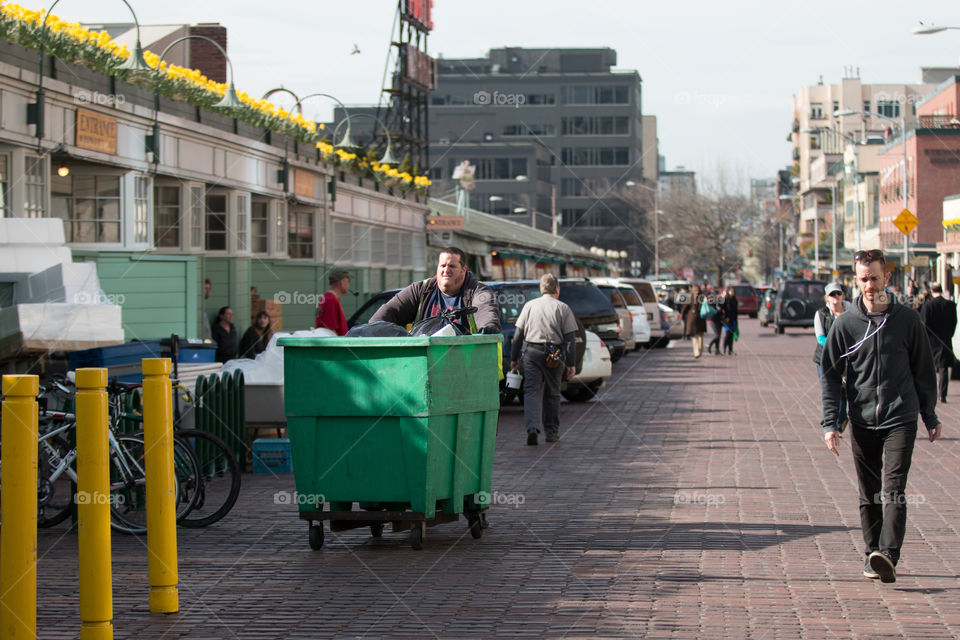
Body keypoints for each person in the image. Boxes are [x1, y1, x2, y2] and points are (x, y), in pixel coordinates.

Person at [820, 249, 942, 584]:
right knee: (868, 492)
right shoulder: (846, 324)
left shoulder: (907, 321)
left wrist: (929, 415)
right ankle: (872, 553)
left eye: (875, 277)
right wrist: (831, 422)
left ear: (887, 277)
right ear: (855, 281)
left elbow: (923, 370)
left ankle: (888, 555)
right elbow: (830, 375)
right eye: (863, 279)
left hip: (900, 417)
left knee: (894, 489)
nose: (870, 285)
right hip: (862, 419)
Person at [509, 274, 577, 445]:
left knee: (531, 390)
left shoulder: (529, 306)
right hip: (554, 353)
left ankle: (532, 428)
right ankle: (551, 432)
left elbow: (518, 336)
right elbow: (570, 340)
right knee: (553, 393)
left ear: (541, 289)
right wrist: (571, 364)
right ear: (557, 289)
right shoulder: (563, 308)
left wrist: (514, 358)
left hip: (532, 351)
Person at [371, 247, 500, 334]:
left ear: (463, 269)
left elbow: (486, 311)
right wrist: (372, 329)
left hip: (465, 367)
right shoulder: (421, 290)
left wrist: (488, 327)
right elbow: (388, 312)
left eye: (452, 266)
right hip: (425, 365)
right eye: (443, 265)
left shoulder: (477, 291)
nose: (446, 270)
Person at [814, 282, 851, 430]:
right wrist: (836, 346)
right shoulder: (821, 314)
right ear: (827, 298)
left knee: (844, 390)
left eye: (838, 293)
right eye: (832, 294)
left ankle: (841, 419)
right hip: (825, 358)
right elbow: (820, 337)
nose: (835, 297)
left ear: (842, 295)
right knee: (829, 388)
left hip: (847, 357)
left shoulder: (851, 311)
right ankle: (832, 423)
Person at [920, 283, 958, 403]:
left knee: (929, 368)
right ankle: (943, 394)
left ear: (932, 291)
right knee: (943, 368)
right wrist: (949, 335)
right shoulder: (951, 305)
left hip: (932, 341)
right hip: (945, 340)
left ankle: (930, 393)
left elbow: (924, 324)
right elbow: (954, 322)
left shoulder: (928, 306)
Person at [316, 268, 351, 336]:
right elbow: (330, 331)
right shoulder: (331, 300)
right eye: (348, 281)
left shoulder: (326, 298)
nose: (348, 284)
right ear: (342, 282)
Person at [680, 284, 707, 358]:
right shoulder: (690, 298)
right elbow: (685, 307)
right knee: (695, 336)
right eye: (695, 290)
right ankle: (697, 352)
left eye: (697, 290)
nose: (696, 291)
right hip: (693, 319)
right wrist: (682, 315)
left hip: (700, 318)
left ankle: (699, 350)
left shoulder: (702, 297)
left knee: (699, 335)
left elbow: (706, 306)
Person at [721, 285, 739, 355]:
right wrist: (725, 317)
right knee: (727, 334)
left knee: (731, 335)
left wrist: (736, 319)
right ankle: (724, 349)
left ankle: (730, 350)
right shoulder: (725, 299)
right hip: (727, 320)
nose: (732, 292)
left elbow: (736, 310)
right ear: (728, 292)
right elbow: (722, 308)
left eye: (733, 291)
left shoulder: (735, 300)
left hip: (733, 319)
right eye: (731, 291)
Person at [706, 290, 724, 355]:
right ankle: (709, 345)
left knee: (719, 335)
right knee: (717, 335)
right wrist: (718, 309)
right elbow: (712, 309)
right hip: (712, 319)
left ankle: (717, 350)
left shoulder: (720, 301)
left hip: (719, 319)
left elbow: (722, 308)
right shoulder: (711, 301)